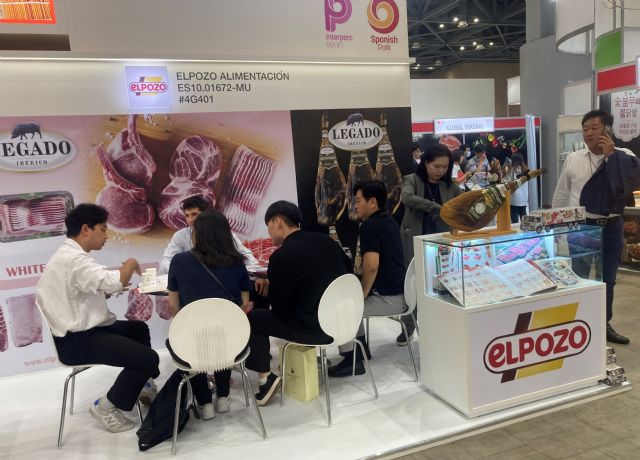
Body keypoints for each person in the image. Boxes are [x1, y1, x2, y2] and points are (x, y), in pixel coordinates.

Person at [36, 204, 160, 433]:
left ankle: (142, 382)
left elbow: (80, 291)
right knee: (149, 359)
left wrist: (105, 291)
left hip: (84, 331)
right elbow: (114, 282)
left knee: (138, 329)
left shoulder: (68, 256)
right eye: (103, 229)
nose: (106, 236)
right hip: (77, 341)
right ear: (86, 229)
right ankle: (106, 407)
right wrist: (131, 264)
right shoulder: (74, 260)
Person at [245, 201, 349, 405]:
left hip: (314, 330)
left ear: (277, 222)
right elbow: (347, 272)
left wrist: (271, 288)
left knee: (255, 318)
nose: (268, 232)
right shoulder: (327, 241)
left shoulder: (281, 256)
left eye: (268, 226)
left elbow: (280, 309)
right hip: (343, 322)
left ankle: (265, 380)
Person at [552, 109, 640, 345]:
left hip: (612, 226)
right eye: (585, 129)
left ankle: (603, 323)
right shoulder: (574, 159)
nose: (589, 133)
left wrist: (611, 157)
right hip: (581, 226)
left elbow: (629, 183)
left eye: (594, 128)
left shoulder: (624, 156)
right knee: (580, 276)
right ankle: (579, 322)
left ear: (607, 129)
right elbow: (561, 194)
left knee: (607, 279)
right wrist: (557, 228)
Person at [167, 210, 250, 419]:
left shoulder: (179, 261)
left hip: (192, 342)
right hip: (232, 341)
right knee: (222, 334)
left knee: (188, 341)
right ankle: (223, 397)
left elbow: (173, 306)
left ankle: (205, 403)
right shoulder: (237, 262)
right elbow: (244, 302)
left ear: (198, 234)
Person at [328, 181, 406, 377]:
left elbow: (371, 266)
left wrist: (362, 293)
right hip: (402, 294)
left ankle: (352, 359)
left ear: (372, 202)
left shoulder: (370, 226)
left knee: (342, 307)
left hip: (390, 299)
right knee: (351, 298)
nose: (355, 205)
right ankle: (361, 349)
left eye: (358, 201)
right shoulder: (389, 220)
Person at [398, 146, 464, 345]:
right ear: (426, 163)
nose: (441, 171)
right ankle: (408, 326)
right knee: (413, 284)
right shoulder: (411, 179)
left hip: (441, 241)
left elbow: (463, 201)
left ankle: (442, 326)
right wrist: (436, 207)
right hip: (415, 240)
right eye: (436, 166)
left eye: (445, 167)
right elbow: (407, 198)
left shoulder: (450, 185)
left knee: (443, 282)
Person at [158, 195, 268, 308]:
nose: (190, 220)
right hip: (193, 287)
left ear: (206, 215)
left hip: (220, 285)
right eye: (187, 215)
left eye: (194, 214)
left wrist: (258, 276)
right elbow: (165, 261)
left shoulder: (224, 234)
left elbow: (245, 254)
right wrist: (183, 272)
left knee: (261, 288)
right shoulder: (180, 236)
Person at [502, 151, 529, 223]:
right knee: (525, 221)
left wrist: (505, 169)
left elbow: (504, 181)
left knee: (514, 222)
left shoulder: (511, 171)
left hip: (514, 200)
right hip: (524, 200)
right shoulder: (526, 171)